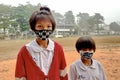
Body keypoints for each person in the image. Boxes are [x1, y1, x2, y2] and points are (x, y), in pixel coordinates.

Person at [15, 6, 68, 80]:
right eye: (40, 26)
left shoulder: (58, 49)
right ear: (33, 28)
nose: (45, 29)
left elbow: (63, 73)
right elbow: (20, 76)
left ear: (52, 28)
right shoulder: (25, 51)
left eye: (48, 26)